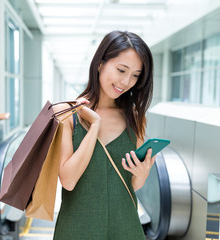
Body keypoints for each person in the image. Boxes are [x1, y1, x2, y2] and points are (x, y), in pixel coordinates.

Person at [52, 30, 154, 239]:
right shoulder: (66, 113)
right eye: (121, 70)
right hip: (77, 229)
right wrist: (95, 124)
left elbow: (132, 184)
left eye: (135, 75)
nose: (126, 82)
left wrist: (142, 174)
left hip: (125, 227)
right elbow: (68, 180)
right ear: (100, 63)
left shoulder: (136, 117)